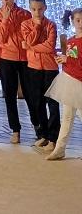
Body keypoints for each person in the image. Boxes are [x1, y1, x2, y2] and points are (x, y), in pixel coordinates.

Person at [0, 0, 36, 144]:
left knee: (30, 94)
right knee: (9, 95)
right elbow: (1, 38)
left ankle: (38, 126)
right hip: (6, 58)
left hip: (25, 59)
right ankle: (15, 129)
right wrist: (5, 19)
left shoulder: (24, 14)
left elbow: (29, 35)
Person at [21, 0, 60, 152]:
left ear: (45, 8)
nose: (37, 12)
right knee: (38, 103)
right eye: (33, 9)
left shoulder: (51, 25)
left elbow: (49, 46)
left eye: (40, 9)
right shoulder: (25, 24)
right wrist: (36, 27)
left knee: (53, 103)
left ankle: (53, 137)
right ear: (30, 9)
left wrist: (30, 48)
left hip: (50, 68)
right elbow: (28, 40)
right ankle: (43, 134)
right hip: (34, 67)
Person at [45, 8, 82, 160]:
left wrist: (69, 60)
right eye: (78, 20)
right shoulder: (72, 40)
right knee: (66, 117)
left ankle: (60, 149)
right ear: (72, 21)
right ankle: (60, 149)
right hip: (69, 82)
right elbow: (70, 62)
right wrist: (62, 60)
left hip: (80, 84)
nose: (80, 23)